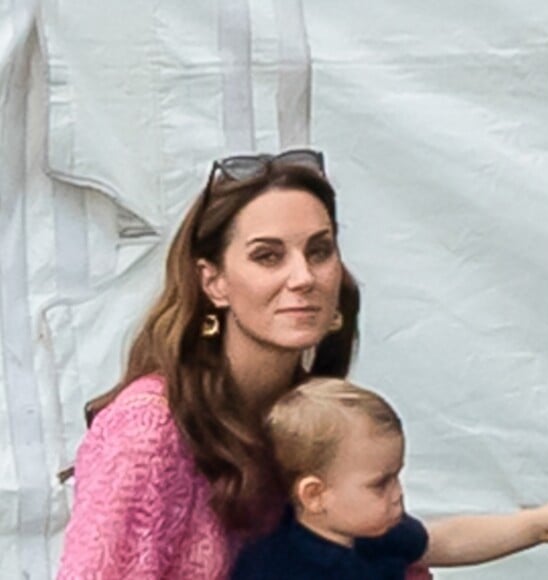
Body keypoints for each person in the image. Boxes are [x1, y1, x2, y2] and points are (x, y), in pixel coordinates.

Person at [57, 149, 431, 579]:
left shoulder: (316, 416)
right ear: (213, 281)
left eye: (319, 251)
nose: (303, 277)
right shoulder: (151, 430)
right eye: (268, 256)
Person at [232, 377, 548, 579]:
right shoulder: (278, 565)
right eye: (380, 484)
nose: (398, 494)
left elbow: (447, 541)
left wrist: (536, 526)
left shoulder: (373, 532)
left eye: (396, 477)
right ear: (315, 495)